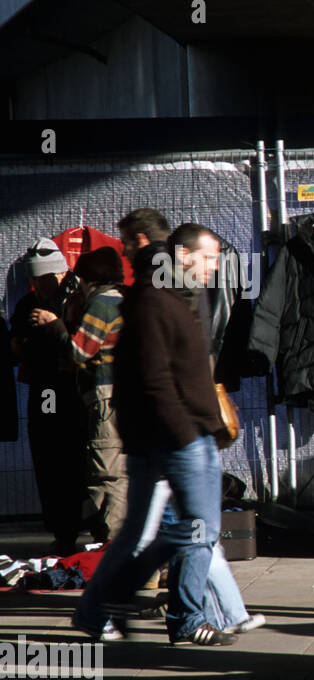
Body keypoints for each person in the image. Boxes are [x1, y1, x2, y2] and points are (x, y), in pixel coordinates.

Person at [73, 224, 233, 646]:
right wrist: (187, 433)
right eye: (208, 258)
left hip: (173, 434)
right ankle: (155, 606)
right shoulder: (158, 301)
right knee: (198, 530)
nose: (213, 267)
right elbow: (156, 377)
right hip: (178, 438)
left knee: (154, 531)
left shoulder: (174, 297)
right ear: (182, 257)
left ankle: (100, 608)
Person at [10, 238, 87, 555]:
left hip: (75, 391)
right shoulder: (27, 305)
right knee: (48, 458)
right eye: (34, 279)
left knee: (77, 461)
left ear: (60, 274)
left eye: (44, 278)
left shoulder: (79, 299)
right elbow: (16, 345)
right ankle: (63, 531)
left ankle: (90, 528)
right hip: (45, 390)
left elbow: (86, 348)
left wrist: (55, 326)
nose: (39, 285)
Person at [52, 248, 128, 543]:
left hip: (104, 396)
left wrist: (57, 327)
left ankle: (109, 542)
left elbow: (80, 352)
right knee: (120, 471)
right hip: (122, 394)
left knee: (106, 473)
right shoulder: (123, 299)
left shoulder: (101, 303)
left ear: (89, 279)